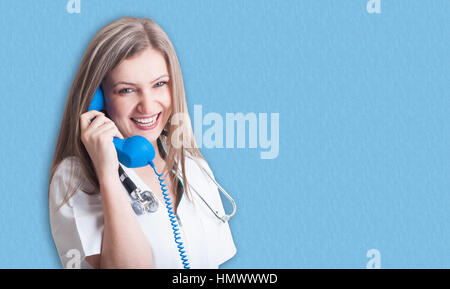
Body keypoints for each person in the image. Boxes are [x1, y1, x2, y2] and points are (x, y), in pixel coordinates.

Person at [48, 16, 236, 269]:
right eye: (127, 90)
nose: (148, 105)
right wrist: (107, 173)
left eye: (159, 84)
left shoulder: (191, 165)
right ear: (97, 99)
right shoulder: (75, 178)